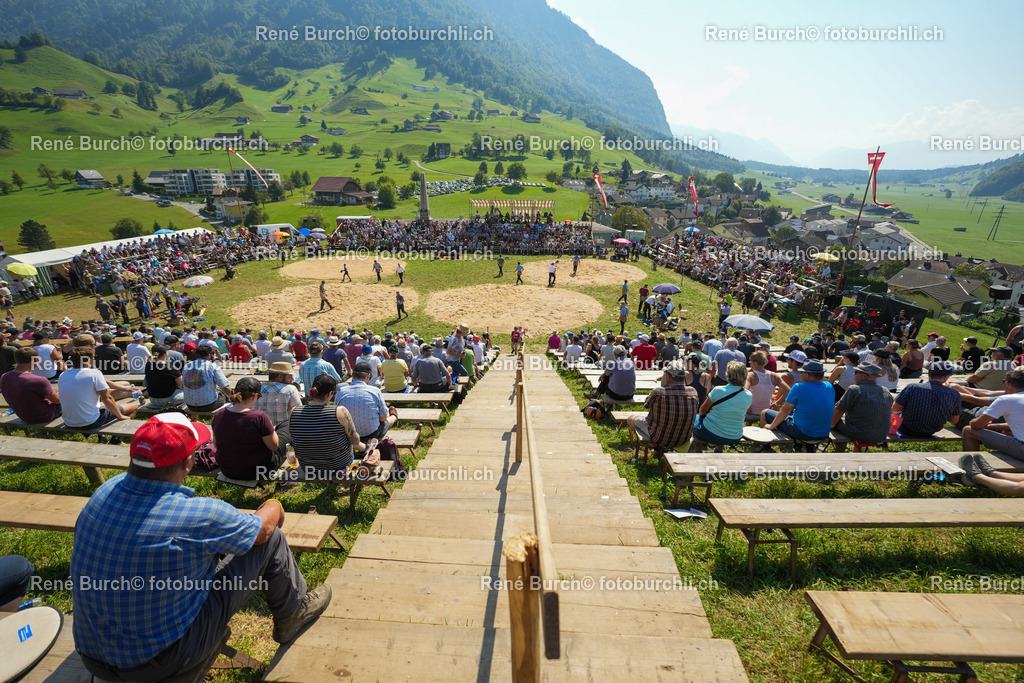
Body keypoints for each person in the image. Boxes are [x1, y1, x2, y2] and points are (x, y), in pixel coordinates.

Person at [70, 412, 331, 680]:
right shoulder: (199, 515)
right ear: (188, 462)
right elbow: (262, 530)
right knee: (270, 538)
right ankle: (292, 615)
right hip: (160, 660)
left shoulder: (103, 493)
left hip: (91, 655)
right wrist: (274, 505)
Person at [960, 369, 1024, 492]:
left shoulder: (1006, 400)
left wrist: (980, 424)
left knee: (968, 430)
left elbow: (976, 425)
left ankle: (970, 471)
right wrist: (991, 427)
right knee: (1008, 432)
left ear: (1008, 384)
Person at [212, 377, 286, 480]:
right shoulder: (259, 416)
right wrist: (272, 430)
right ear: (255, 396)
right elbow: (274, 447)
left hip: (227, 470)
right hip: (257, 472)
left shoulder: (220, 413)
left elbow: (215, 444)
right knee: (285, 428)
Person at [291, 374, 365, 475]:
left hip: (307, 467)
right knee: (349, 437)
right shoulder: (339, 412)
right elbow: (355, 441)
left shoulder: (294, 411)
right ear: (330, 393)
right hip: (337, 466)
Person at [57, 344, 139, 429]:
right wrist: (120, 416)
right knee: (133, 407)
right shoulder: (94, 373)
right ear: (89, 360)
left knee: (103, 405)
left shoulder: (63, 375)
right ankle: (118, 435)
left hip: (68, 422)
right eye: (93, 357)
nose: (94, 359)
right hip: (90, 422)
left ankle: (102, 436)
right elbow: (107, 398)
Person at [627, 360, 699, 452]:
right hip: (683, 439)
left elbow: (646, 405)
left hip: (659, 438)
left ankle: (651, 445)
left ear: (667, 376)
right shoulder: (693, 392)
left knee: (630, 418)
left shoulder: (658, 391)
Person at [761, 359, 835, 442]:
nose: (800, 374)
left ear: (808, 374)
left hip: (803, 432)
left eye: (802, 372)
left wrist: (771, 426)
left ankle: (765, 446)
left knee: (764, 412)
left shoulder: (798, 387)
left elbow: (785, 410)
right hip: (824, 433)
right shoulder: (829, 386)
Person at [690, 361, 752, 452]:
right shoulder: (748, 395)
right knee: (724, 420)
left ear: (728, 374)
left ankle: (698, 450)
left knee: (692, 418)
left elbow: (702, 410)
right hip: (735, 436)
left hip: (711, 433)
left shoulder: (718, 390)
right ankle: (718, 449)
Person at [891, 361, 962, 438]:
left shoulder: (912, 387)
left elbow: (895, 408)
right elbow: (955, 420)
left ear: (929, 373)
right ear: (946, 377)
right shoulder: (954, 394)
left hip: (907, 429)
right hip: (932, 431)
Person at [831, 362, 893, 448]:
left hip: (861, 435)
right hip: (881, 434)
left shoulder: (854, 389)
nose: (853, 374)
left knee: (836, 419)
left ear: (864, 376)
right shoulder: (885, 390)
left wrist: (831, 426)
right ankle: (856, 450)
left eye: (856, 372)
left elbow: (839, 410)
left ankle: (839, 449)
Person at [335, 362, 397, 441]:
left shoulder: (340, 392)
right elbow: (383, 418)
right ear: (368, 376)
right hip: (372, 434)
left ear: (353, 376)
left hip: (348, 435)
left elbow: (336, 416)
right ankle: (394, 417)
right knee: (387, 419)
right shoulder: (375, 391)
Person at [0, 346, 61, 423]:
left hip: (24, 416)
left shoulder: (4, 376)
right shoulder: (39, 380)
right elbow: (58, 401)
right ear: (36, 359)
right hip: (44, 416)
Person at [182, 345, 231, 413]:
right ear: (209, 355)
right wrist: (233, 398)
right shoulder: (212, 366)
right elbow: (226, 387)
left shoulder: (187, 366)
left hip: (190, 406)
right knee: (222, 393)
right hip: (208, 405)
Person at [745, 351, 783, 422]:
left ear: (755, 363)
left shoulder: (750, 376)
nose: (750, 364)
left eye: (750, 362)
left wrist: (747, 406)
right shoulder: (774, 375)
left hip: (751, 410)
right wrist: (777, 403)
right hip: (766, 411)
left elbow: (744, 391)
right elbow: (788, 391)